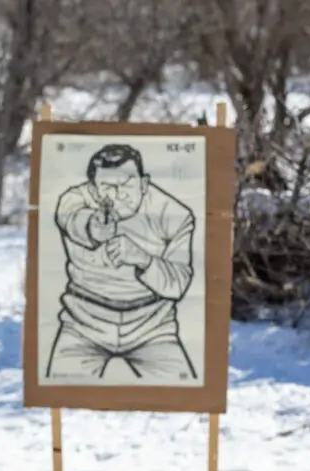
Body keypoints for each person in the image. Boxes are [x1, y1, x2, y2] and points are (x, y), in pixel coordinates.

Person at [44, 144, 197, 382]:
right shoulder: (73, 199)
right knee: (59, 389)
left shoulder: (174, 214)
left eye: (126, 184)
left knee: (185, 391)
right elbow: (73, 218)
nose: (118, 195)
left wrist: (142, 259)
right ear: (94, 191)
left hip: (152, 327)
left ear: (144, 183)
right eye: (107, 187)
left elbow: (177, 285)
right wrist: (93, 228)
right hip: (84, 324)